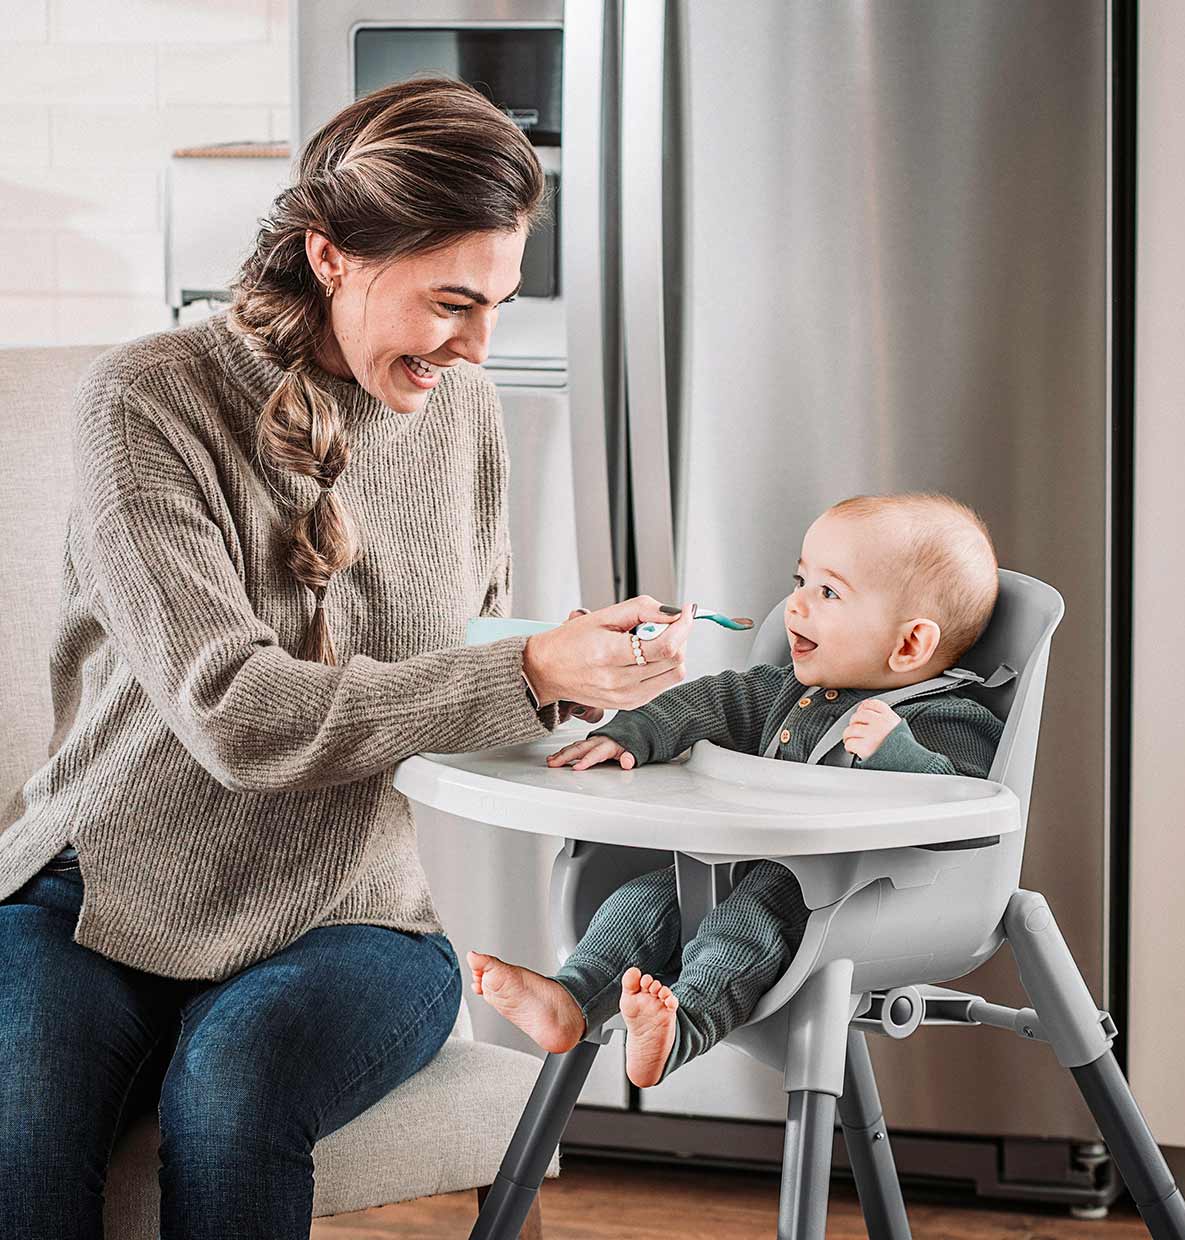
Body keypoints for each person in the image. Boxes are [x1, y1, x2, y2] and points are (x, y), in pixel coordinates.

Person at [0, 77, 693, 1240]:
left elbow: (467, 673)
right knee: (23, 1139)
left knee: (232, 1094)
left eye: (500, 304)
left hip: (355, 913)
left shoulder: (460, 411)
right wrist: (525, 668)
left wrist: (594, 691)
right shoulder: (148, 398)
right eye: (451, 302)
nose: (477, 347)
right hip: (102, 891)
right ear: (331, 254)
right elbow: (234, 709)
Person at [468, 492, 1005, 1089]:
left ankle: (684, 1026)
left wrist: (899, 754)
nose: (795, 604)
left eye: (828, 592)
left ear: (909, 645)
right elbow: (713, 701)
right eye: (800, 580)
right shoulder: (789, 693)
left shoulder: (947, 717)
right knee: (643, 897)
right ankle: (571, 996)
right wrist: (634, 733)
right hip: (749, 865)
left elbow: (967, 811)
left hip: (853, 895)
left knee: (746, 921)